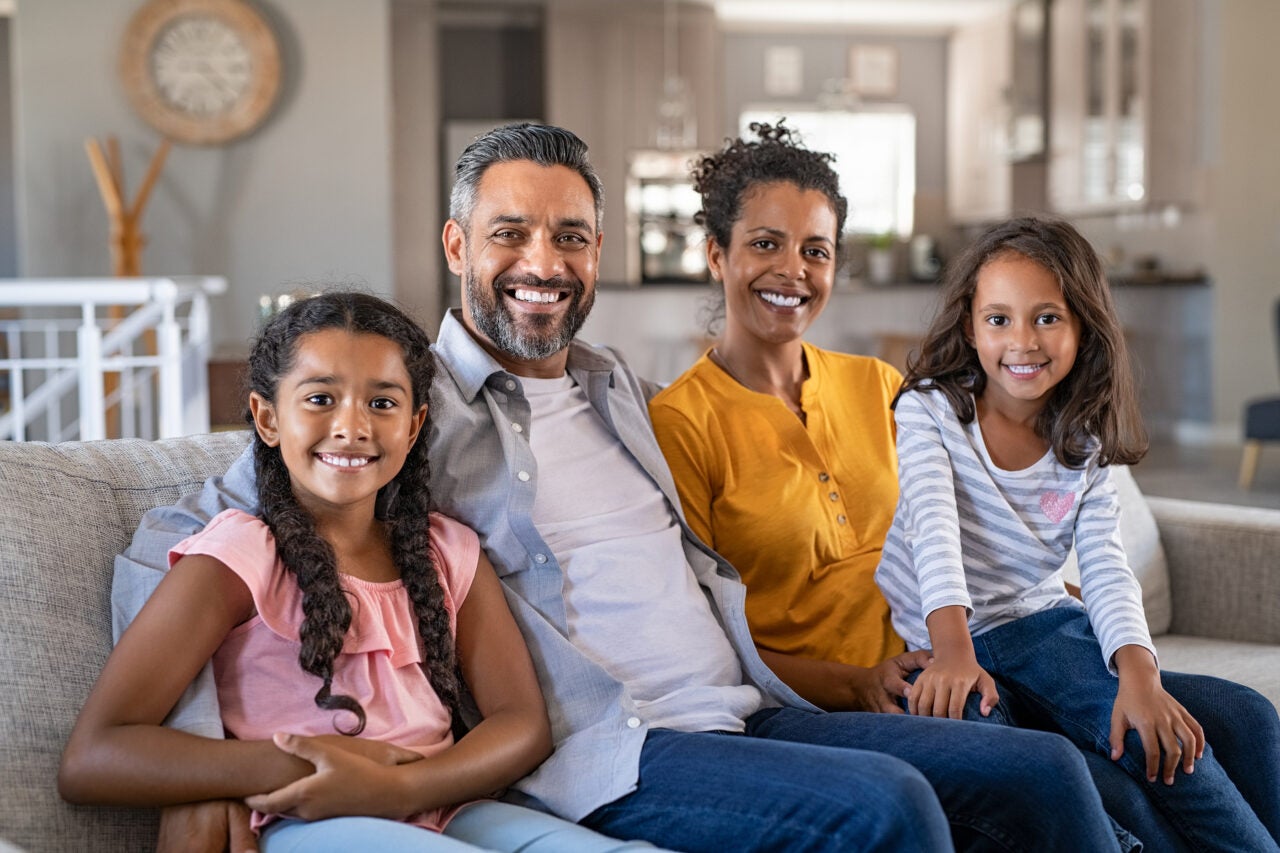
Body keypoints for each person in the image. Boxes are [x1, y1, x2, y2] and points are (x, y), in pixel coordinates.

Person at [113, 122, 1131, 853]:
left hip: (749, 707)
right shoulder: (397, 408)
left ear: (597, 252)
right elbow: (182, 528)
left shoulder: (622, 393)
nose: (540, 263)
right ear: (457, 245)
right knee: (886, 808)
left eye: (568, 237)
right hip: (614, 749)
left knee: (1036, 769)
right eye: (509, 233)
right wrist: (209, 770)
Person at [649, 123, 1280, 853]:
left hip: (975, 647)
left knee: (1241, 717)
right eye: (765, 243)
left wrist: (1045, 591)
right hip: (861, 693)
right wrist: (852, 680)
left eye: (815, 249)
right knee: (1081, 770)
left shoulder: (876, 385)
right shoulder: (680, 423)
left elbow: (967, 506)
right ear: (715, 254)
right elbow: (706, 636)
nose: (792, 268)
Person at [62, 292, 642, 852]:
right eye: (320, 399)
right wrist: (297, 764)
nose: (352, 426)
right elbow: (94, 757)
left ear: (414, 428)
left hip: (446, 809)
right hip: (305, 819)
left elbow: (520, 723)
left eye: (382, 403)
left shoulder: (447, 551)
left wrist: (401, 787)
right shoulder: (239, 557)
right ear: (267, 417)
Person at [873, 216, 1280, 853]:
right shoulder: (929, 409)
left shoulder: (1085, 435)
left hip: (1044, 625)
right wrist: (951, 649)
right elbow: (933, 530)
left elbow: (1106, 565)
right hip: (953, 635)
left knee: (1188, 729)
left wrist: (1139, 674)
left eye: (1047, 317)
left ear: (1083, 325)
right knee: (1061, 768)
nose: (1022, 341)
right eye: (999, 319)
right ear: (970, 326)